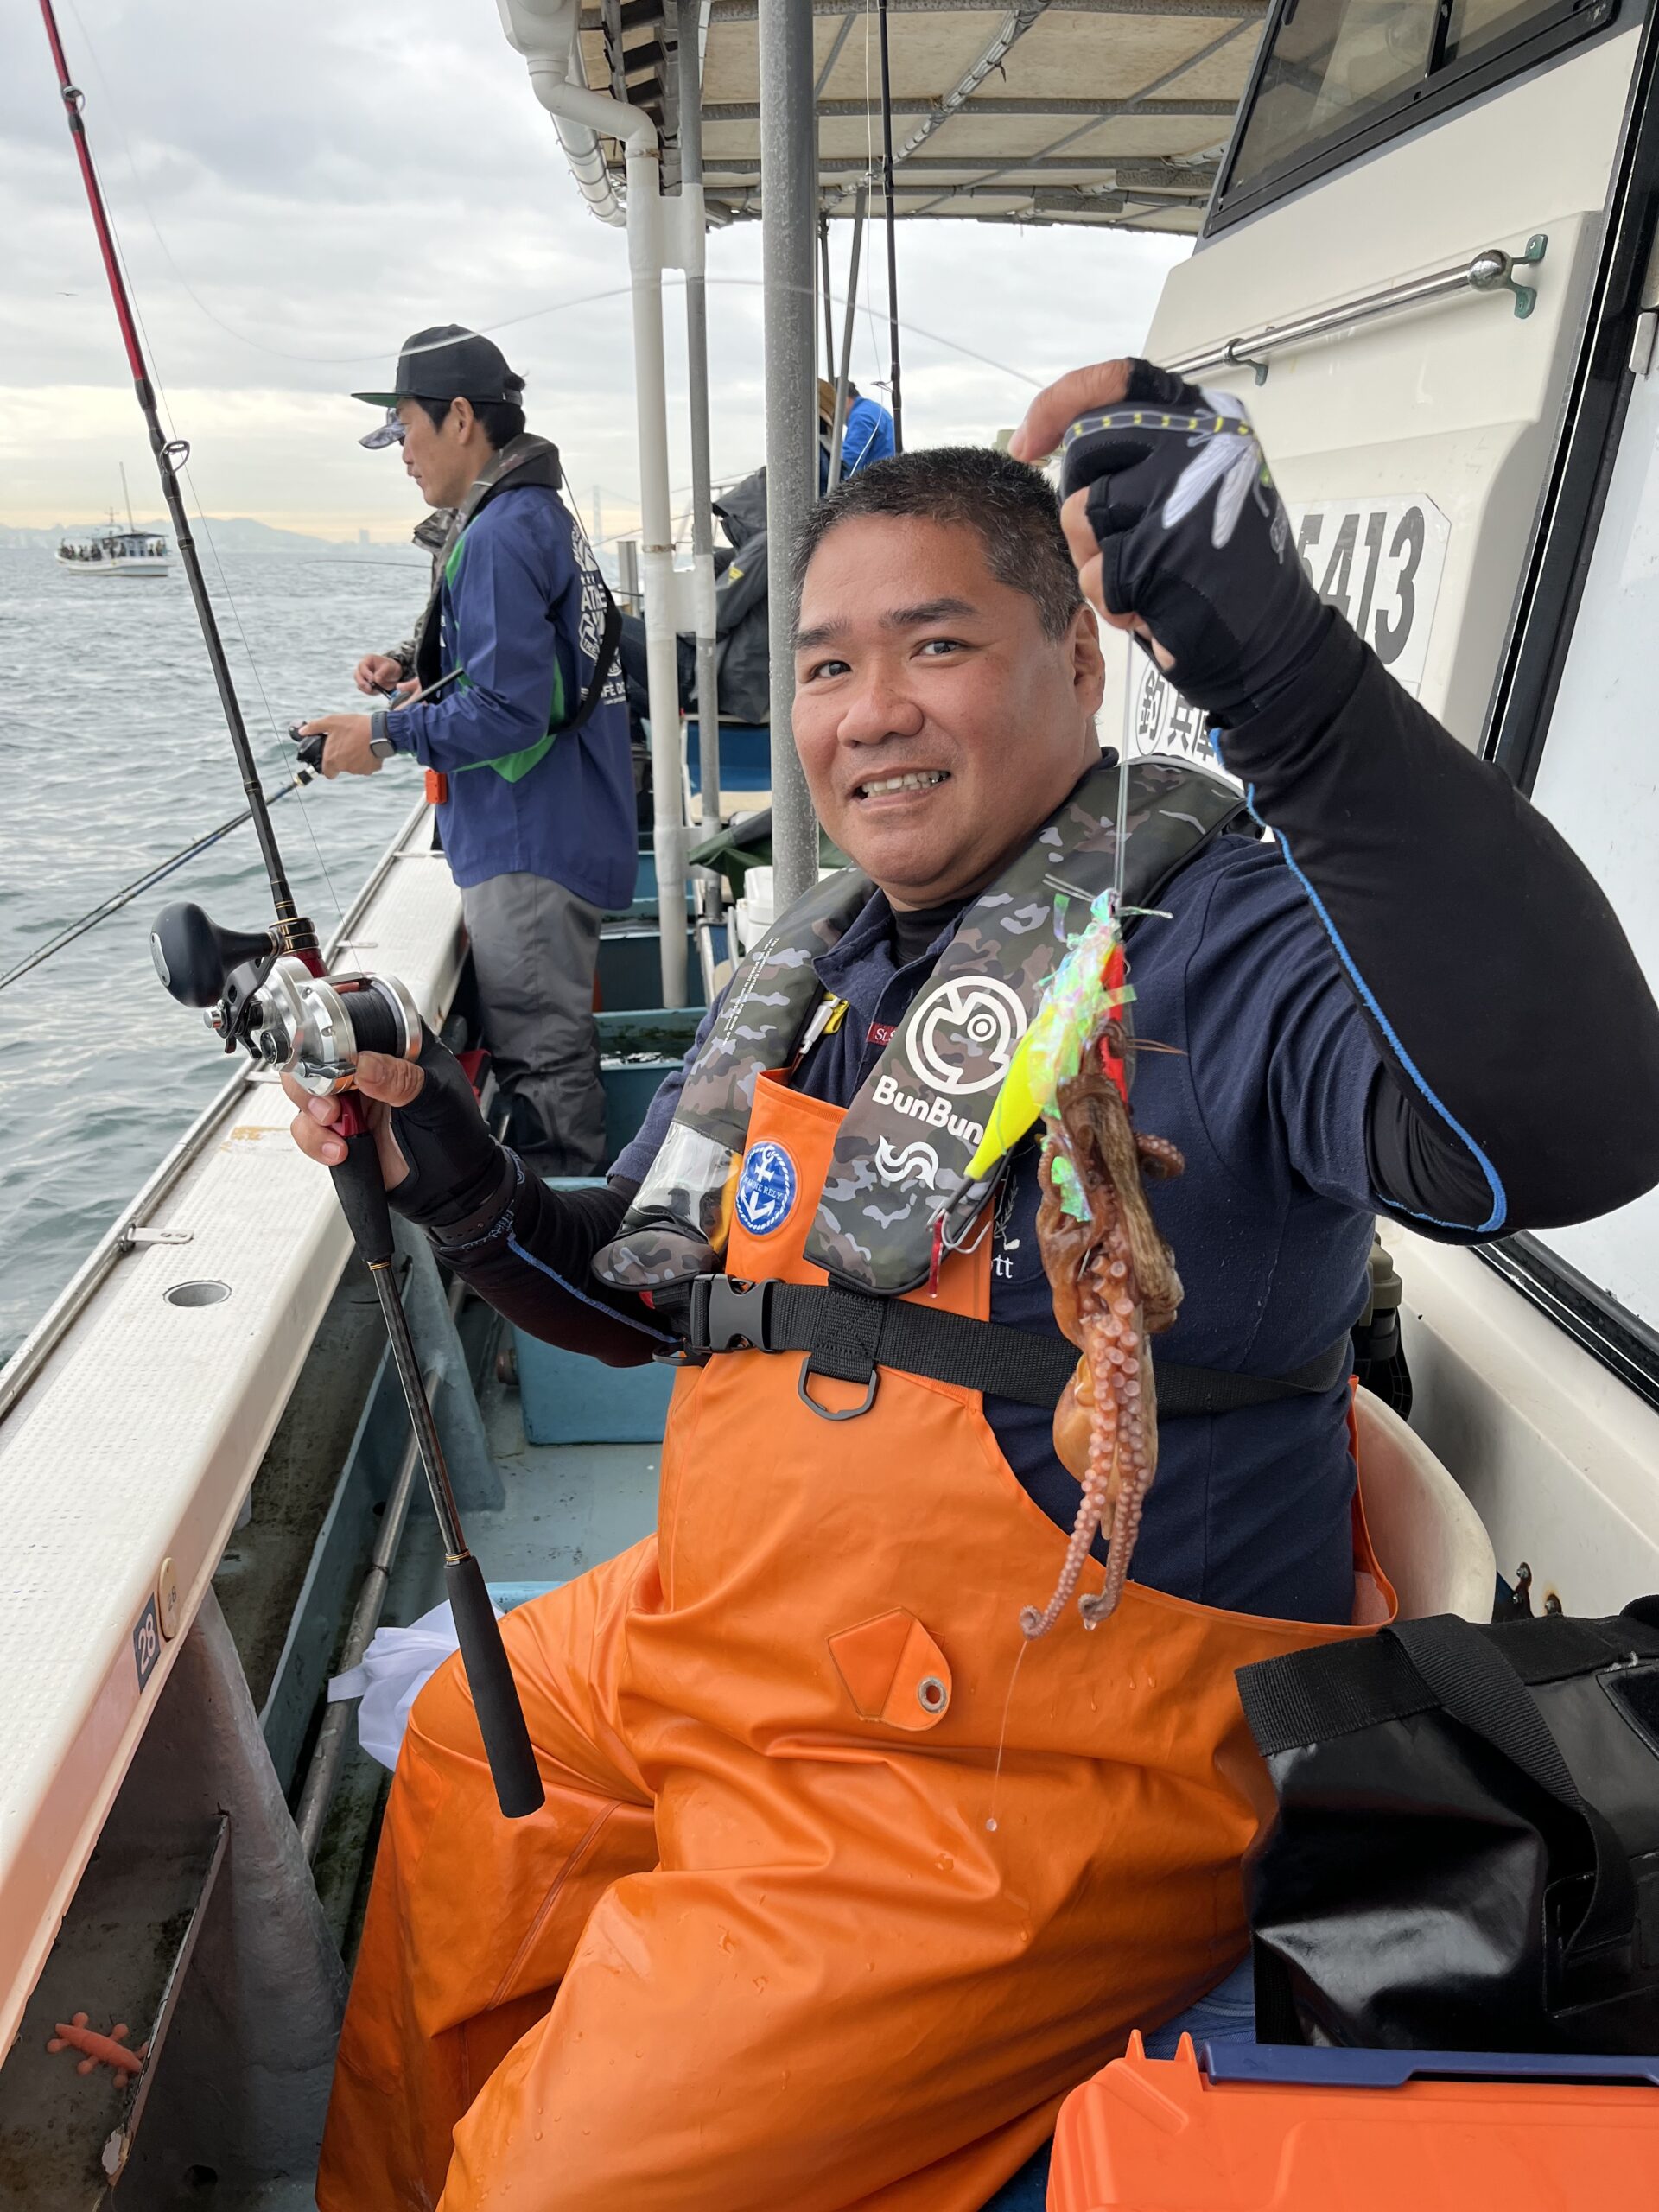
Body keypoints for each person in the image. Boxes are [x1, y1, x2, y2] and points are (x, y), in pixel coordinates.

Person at [289, 359, 1659, 2211]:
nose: (869, 714)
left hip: (1022, 1752)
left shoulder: (1226, 940)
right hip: (737, 1632)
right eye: (830, 664)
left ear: (1082, 665)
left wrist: (1290, 676)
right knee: (466, 1741)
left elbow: (1568, 1129)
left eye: (935, 647)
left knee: (558, 2183)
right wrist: (437, 1154)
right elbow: (642, 1295)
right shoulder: (833, 954)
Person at [296, 325, 635, 1175]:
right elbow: (539, 663)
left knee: (544, 1066)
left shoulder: (493, 534)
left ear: (457, 418)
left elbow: (510, 713)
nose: (402, 453)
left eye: (405, 429)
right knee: (547, 1047)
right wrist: (413, 666)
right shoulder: (537, 514)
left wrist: (378, 733)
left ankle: (570, 1264)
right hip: (569, 823)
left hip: (528, 845)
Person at [818, 374, 897, 491]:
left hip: (873, 488)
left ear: (841, 399)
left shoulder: (861, 417)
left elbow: (849, 460)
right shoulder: (872, 409)